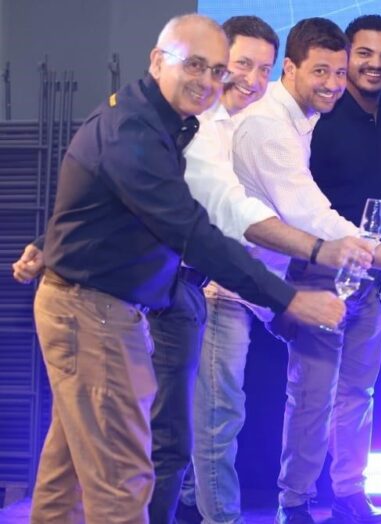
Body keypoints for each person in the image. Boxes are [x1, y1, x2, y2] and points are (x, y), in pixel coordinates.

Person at [26, 14, 344, 524]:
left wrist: (50, 243)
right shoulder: (136, 129)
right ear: (158, 60)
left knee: (66, 483)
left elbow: (102, 198)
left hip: (98, 306)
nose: (210, 80)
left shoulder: (164, 120)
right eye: (195, 65)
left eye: (217, 70)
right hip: (95, 314)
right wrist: (287, 298)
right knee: (123, 483)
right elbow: (193, 231)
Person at [175, 17, 381, 524]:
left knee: (348, 395)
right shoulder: (268, 123)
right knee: (232, 413)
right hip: (233, 279)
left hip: (283, 275)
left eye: (338, 71)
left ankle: (321, 497)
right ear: (292, 68)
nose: (334, 81)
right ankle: (269, 505)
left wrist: (379, 263)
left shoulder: (334, 115)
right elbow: (309, 214)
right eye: (322, 70)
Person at [274, 14, 381, 524]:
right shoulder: (320, 115)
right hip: (318, 274)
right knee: (311, 395)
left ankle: (350, 494)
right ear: (346, 57)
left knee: (358, 393)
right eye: (364, 54)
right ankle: (295, 501)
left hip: (371, 277)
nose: (375, 64)